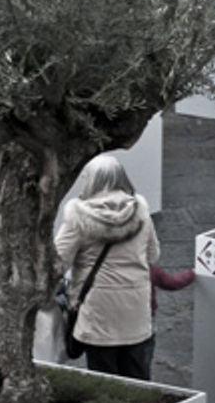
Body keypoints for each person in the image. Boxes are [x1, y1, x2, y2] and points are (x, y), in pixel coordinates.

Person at [54, 153, 160, 380]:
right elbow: (153, 255)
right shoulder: (141, 211)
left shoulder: (77, 217)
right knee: (138, 378)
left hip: (97, 313)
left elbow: (57, 263)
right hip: (136, 309)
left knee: (105, 380)